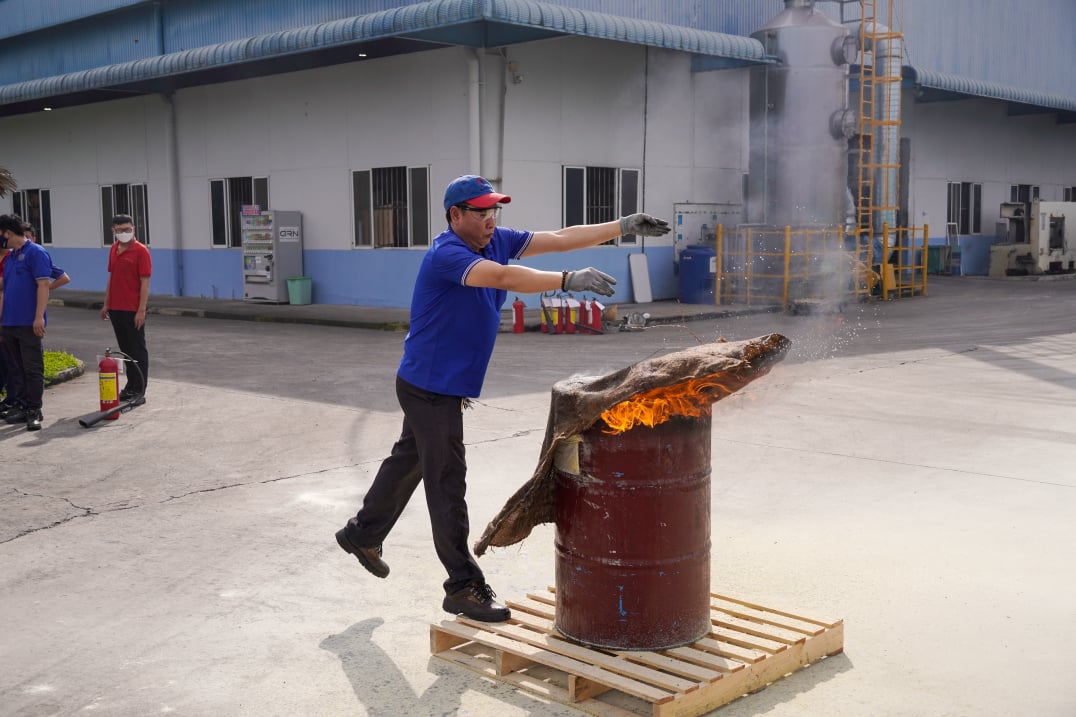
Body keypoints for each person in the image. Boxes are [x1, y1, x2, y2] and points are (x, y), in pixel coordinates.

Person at [336, 175, 670, 622]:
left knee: (409, 460)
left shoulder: (497, 239)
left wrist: (622, 225)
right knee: (447, 481)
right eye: (481, 212)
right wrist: (568, 279)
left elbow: (559, 238)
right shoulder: (447, 255)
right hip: (430, 387)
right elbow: (503, 276)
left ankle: (362, 533)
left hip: (437, 383)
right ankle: (463, 586)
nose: (491, 220)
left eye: (494, 210)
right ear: (456, 215)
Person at [0, 214, 54, 431]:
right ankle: (22, 406)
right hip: (9, 321)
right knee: (16, 368)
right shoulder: (11, 257)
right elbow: (6, 287)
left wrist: (39, 316)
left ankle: (34, 410)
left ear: (8, 233)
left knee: (32, 368)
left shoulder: (36, 252)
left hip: (28, 322)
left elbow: (43, 286)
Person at [99, 214, 151, 402]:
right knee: (126, 349)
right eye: (120, 230)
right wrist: (106, 303)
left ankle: (140, 391)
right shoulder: (114, 248)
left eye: (128, 229)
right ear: (113, 231)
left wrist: (141, 310)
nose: (124, 233)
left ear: (133, 229)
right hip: (116, 307)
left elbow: (145, 282)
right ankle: (131, 386)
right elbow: (111, 277)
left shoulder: (141, 251)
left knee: (137, 350)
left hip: (132, 308)